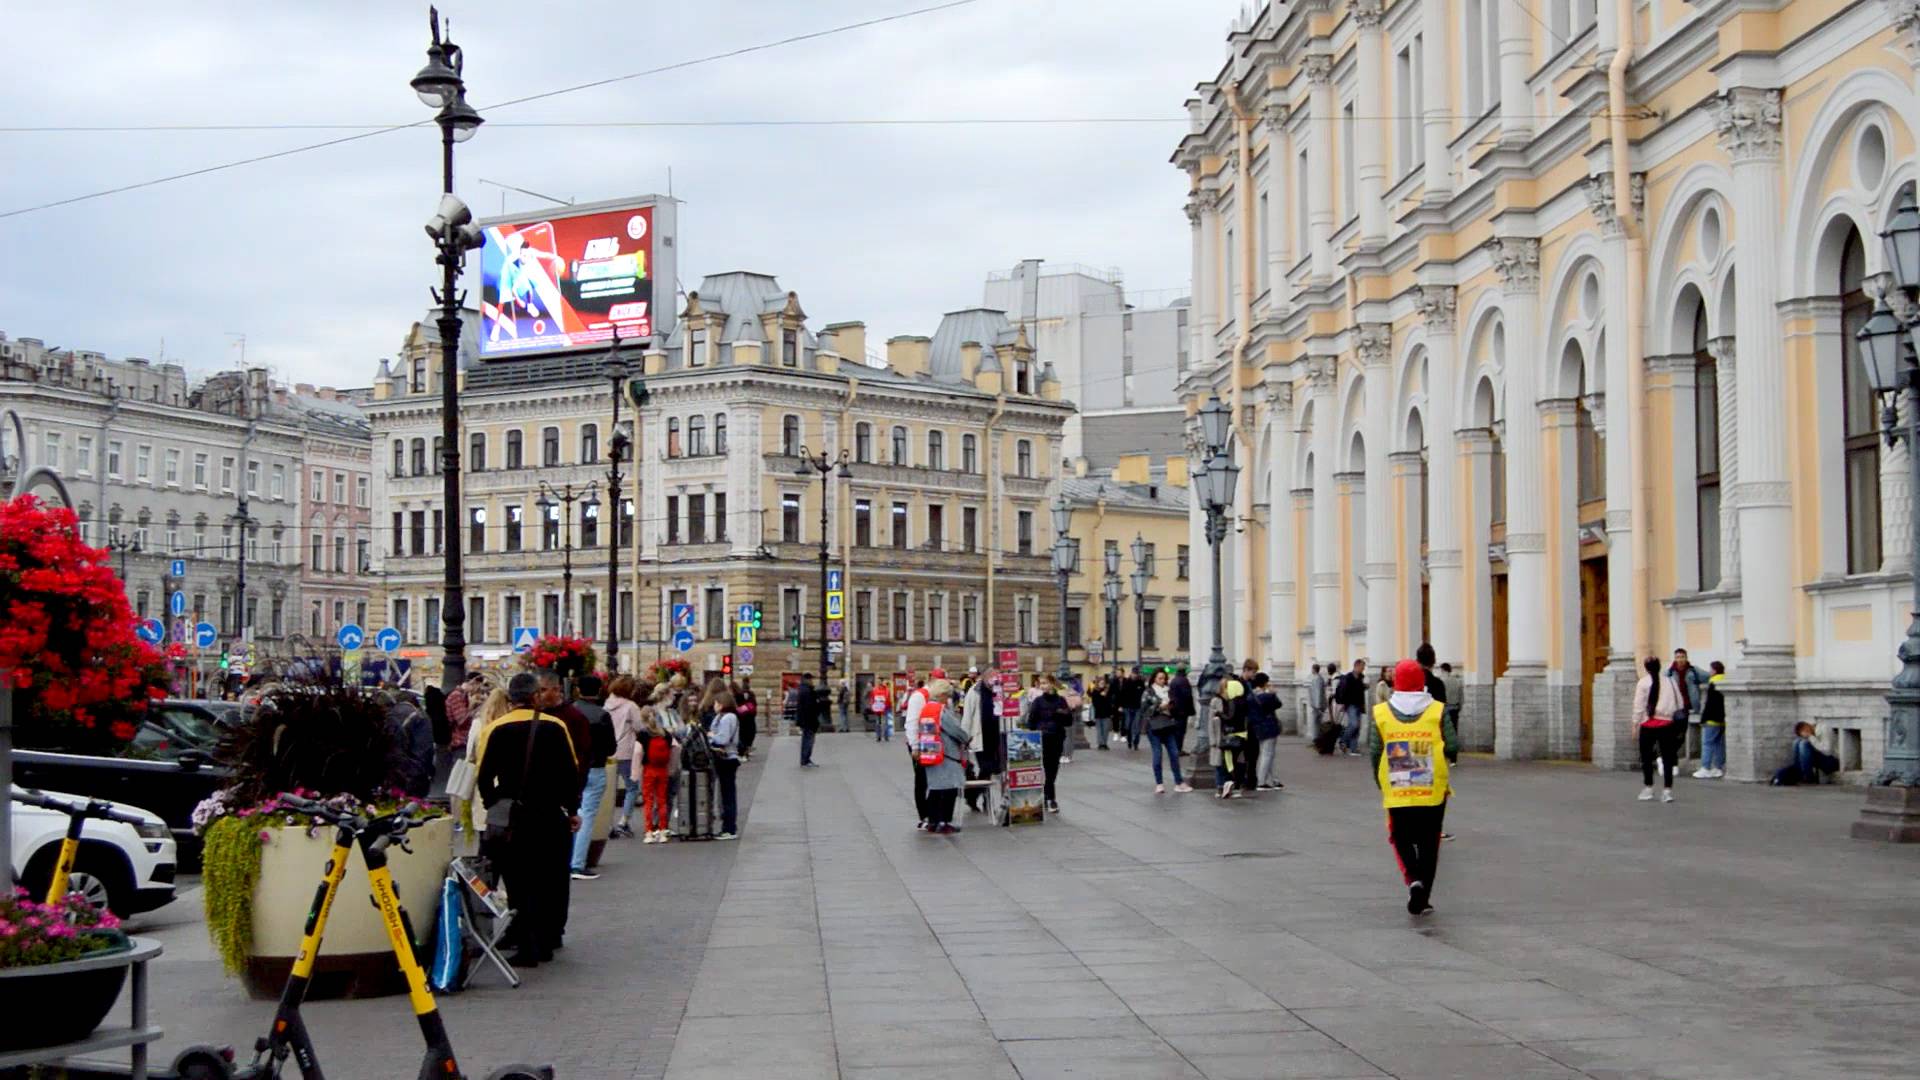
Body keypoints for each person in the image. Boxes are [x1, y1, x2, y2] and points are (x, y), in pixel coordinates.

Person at [474, 672, 581, 966]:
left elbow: (484, 776)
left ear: (510, 699)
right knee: (549, 880)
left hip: (514, 818)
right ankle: (547, 940)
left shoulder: (496, 728)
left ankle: (526, 944)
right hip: (549, 815)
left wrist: (494, 803)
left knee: (519, 882)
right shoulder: (555, 726)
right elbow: (570, 773)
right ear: (535, 697)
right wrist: (572, 809)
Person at [1368, 659, 1457, 916]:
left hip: (1397, 787)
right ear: (1422, 682)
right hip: (1432, 788)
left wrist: (1379, 780)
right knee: (1430, 842)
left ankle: (1414, 879)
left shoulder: (1381, 713)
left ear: (1396, 682)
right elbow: (1452, 745)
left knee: (1401, 837)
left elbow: (1375, 751)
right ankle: (1424, 895)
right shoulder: (1438, 710)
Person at [567, 675, 616, 881]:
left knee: (569, 813)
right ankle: (577, 863)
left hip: (570, 768)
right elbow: (611, 747)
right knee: (586, 816)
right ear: (599, 691)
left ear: (578, 690)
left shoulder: (569, 712)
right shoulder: (602, 715)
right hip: (595, 768)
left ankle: (566, 859)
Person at [918, 680, 973, 833]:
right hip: (946, 754)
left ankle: (933, 821)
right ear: (942, 695)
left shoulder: (926, 709)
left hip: (930, 752)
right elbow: (955, 730)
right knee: (950, 788)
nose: (948, 699)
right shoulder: (941, 711)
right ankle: (944, 821)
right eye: (947, 696)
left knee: (934, 789)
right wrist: (967, 738)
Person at [1633, 655, 1684, 803]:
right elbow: (1679, 703)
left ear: (1646, 668)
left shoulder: (1643, 683)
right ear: (1660, 666)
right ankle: (1667, 791)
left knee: (1646, 758)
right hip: (1667, 724)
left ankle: (1648, 787)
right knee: (1668, 758)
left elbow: (1638, 706)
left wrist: (1635, 724)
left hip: (1647, 724)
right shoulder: (1670, 681)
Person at [1026, 673, 1072, 813]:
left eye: (1045, 683)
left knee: (1052, 769)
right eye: (1041, 683)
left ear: (1052, 684)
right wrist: (1036, 733)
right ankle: (1050, 798)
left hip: (1057, 737)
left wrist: (1062, 714)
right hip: (1042, 738)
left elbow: (1069, 721)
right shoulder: (1038, 701)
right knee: (1045, 768)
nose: (1043, 686)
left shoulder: (1061, 700)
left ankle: (1048, 796)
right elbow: (1031, 721)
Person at [631, 699, 676, 842]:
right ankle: (663, 831)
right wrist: (671, 768)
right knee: (662, 801)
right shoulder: (665, 733)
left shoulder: (643, 734)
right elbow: (676, 748)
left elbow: (638, 753)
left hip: (649, 770)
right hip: (662, 770)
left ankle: (649, 832)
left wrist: (635, 773)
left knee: (649, 801)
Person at [607, 675, 645, 838]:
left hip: (609, 751)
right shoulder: (631, 706)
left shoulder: (607, 705)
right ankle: (623, 821)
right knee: (632, 787)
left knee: (609, 791)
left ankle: (608, 824)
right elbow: (640, 727)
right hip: (626, 750)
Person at [1141, 669, 1189, 793]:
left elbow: (1176, 707)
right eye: (1159, 678)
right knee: (1157, 754)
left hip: (1168, 724)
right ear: (1154, 679)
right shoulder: (1149, 691)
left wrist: (1172, 707)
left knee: (1174, 753)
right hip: (1154, 726)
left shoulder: (1169, 691)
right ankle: (1159, 784)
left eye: (1164, 678)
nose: (1162, 681)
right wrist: (1159, 707)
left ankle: (1179, 782)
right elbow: (1144, 709)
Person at [381, 689, 434, 798]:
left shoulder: (389, 714)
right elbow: (425, 752)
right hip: (412, 776)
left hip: (389, 775)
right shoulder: (420, 717)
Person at [706, 688, 743, 839]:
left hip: (727, 758)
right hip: (723, 758)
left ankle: (729, 828)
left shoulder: (728, 718)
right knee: (725, 793)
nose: (714, 705)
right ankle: (727, 826)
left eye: (715, 702)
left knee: (728, 795)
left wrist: (711, 735)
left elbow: (722, 739)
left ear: (721, 704)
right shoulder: (721, 717)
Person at [962, 671, 1000, 813]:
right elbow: (967, 716)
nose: (993, 681)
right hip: (980, 737)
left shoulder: (999, 691)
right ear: (984, 678)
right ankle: (981, 799)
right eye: (990, 678)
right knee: (986, 768)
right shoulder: (974, 692)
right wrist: (964, 737)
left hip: (996, 737)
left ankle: (975, 797)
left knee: (992, 770)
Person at [904, 674, 935, 828]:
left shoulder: (939, 695)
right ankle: (923, 815)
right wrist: (914, 746)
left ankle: (932, 812)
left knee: (934, 779)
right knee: (922, 779)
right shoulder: (919, 696)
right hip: (921, 743)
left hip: (933, 743)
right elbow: (911, 722)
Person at [1772, 721, 1840, 785]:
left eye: (1804, 733)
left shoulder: (1824, 729)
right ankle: (1799, 773)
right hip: (1822, 759)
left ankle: (1808, 777)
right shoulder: (1813, 733)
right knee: (1797, 742)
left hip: (1833, 761)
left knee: (1804, 744)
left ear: (1806, 727)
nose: (1805, 736)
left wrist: (1810, 737)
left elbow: (1827, 751)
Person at [1249, 672, 1284, 791]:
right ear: (1264, 683)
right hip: (1269, 726)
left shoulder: (1251, 696)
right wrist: (1273, 693)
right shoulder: (1267, 696)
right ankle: (1262, 781)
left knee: (1267, 754)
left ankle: (1274, 780)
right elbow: (1279, 704)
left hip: (1258, 727)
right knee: (1268, 754)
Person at [1693, 661, 1727, 779]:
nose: (1709, 671)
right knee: (1719, 744)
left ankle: (1705, 767)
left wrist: (1703, 718)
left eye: (1711, 669)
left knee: (1707, 743)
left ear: (1714, 670)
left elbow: (1710, 704)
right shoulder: (1725, 680)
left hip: (1712, 719)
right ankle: (1718, 767)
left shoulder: (1713, 683)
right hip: (1722, 719)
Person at [1334, 659, 1369, 756]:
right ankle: (1343, 740)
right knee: (1354, 725)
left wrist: (1365, 686)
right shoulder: (1348, 677)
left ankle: (1353, 749)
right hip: (1350, 705)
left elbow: (1359, 690)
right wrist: (1342, 703)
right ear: (1356, 666)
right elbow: (1343, 691)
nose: (1363, 669)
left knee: (1357, 727)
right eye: (1362, 667)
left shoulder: (1361, 678)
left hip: (1359, 705)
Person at [791, 673, 820, 767]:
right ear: (807, 680)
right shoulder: (807, 691)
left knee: (806, 740)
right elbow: (809, 707)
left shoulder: (804, 689)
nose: (812, 681)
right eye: (811, 679)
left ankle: (805, 759)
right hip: (809, 721)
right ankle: (805, 760)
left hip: (806, 720)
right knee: (808, 740)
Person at [1116, 667, 1146, 751]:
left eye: (1136, 673)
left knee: (1136, 726)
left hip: (1138, 707)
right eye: (1134, 673)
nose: (1135, 675)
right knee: (1128, 725)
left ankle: (1136, 743)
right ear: (1131, 673)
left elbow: (1144, 694)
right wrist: (1120, 705)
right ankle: (1129, 741)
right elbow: (1121, 695)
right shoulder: (1126, 682)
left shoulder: (1140, 683)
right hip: (1128, 707)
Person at [1168, 666, 1196, 753]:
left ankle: (1176, 748)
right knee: (1181, 730)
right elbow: (1187, 696)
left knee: (1176, 730)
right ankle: (1178, 749)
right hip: (1182, 710)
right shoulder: (1184, 681)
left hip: (1175, 709)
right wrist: (1191, 710)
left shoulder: (1173, 680)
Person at [1089, 674, 1116, 751]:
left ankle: (1104, 743)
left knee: (1106, 730)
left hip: (1106, 713)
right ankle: (1101, 744)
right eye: (1100, 683)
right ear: (1098, 683)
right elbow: (1095, 703)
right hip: (1098, 713)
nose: (1102, 684)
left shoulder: (1108, 691)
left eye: (1103, 683)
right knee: (1099, 730)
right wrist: (1101, 696)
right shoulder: (1095, 691)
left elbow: (1110, 700)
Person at [735, 677, 759, 762]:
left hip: (742, 718)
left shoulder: (739, 694)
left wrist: (742, 710)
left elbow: (737, 706)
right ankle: (745, 752)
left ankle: (743, 752)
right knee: (749, 735)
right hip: (750, 718)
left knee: (743, 736)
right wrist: (749, 708)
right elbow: (754, 705)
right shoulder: (751, 694)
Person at [1309, 661, 1330, 740]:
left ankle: (1316, 738)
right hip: (1318, 705)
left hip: (1317, 705)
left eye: (1312, 669)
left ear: (1314, 669)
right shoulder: (1318, 678)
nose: (1311, 670)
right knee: (1317, 722)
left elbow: (1318, 692)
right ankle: (1317, 738)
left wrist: (1317, 706)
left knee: (1315, 722)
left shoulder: (1317, 679)